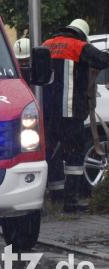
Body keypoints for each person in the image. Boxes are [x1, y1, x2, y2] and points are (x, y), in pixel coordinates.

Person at [42, 18, 109, 212]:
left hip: (48, 112)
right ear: (82, 34)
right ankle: (71, 201)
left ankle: (56, 196)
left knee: (52, 153)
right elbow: (102, 61)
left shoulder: (47, 45)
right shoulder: (78, 46)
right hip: (70, 112)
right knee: (74, 155)